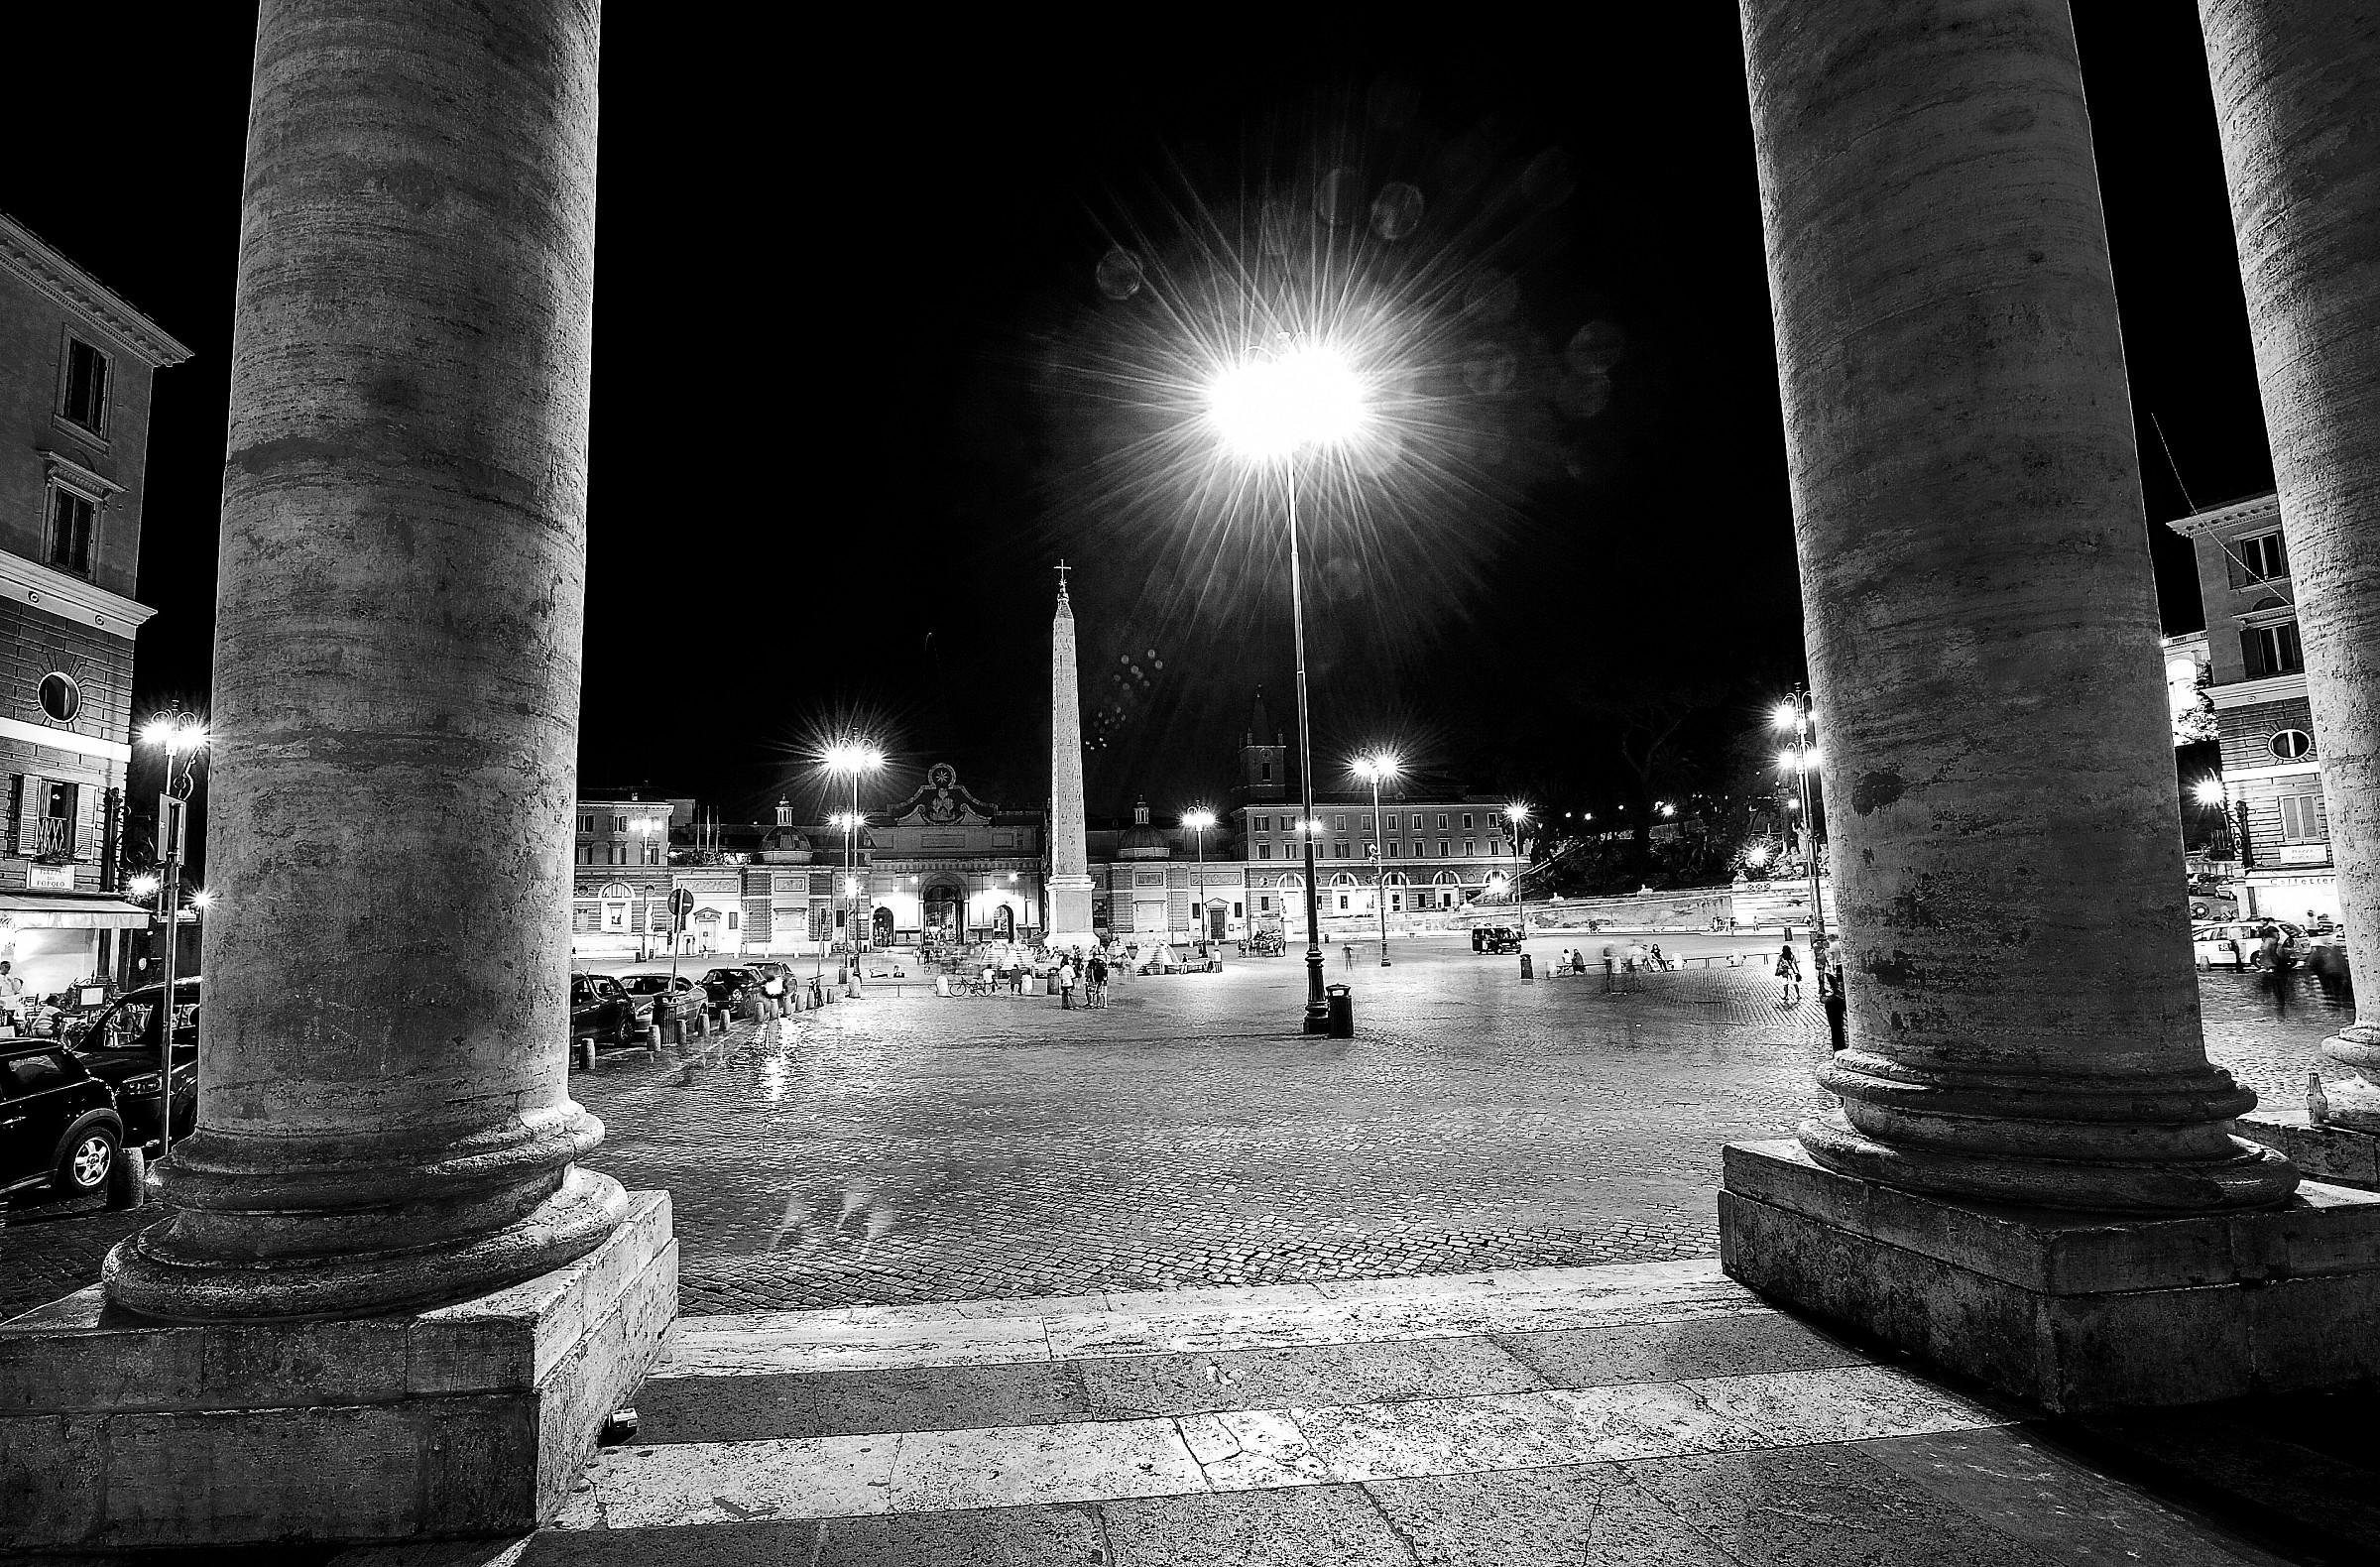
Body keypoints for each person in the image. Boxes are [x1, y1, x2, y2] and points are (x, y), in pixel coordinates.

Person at [1823, 962, 1848, 1052]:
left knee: (1835, 1027)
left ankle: (1838, 1047)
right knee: (1837, 1027)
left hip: (1832, 1000)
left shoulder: (1830, 972)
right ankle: (1839, 1046)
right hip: (1835, 1000)